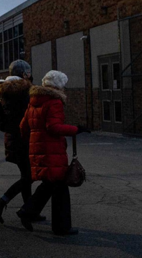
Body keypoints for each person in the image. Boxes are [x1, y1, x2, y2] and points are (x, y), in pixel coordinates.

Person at [18, 70, 90, 235]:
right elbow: (54, 127)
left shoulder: (34, 101)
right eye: (63, 85)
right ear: (58, 86)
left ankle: (37, 216)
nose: (64, 88)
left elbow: (23, 127)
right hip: (52, 151)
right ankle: (54, 224)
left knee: (52, 185)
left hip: (39, 149)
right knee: (58, 185)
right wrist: (76, 129)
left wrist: (34, 142)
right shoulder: (54, 102)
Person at [0, 60, 46, 224]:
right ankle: (2, 201)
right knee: (29, 177)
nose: (30, 75)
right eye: (28, 72)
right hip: (24, 139)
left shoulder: (7, 91)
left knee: (26, 175)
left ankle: (29, 210)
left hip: (13, 139)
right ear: (24, 74)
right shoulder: (23, 92)